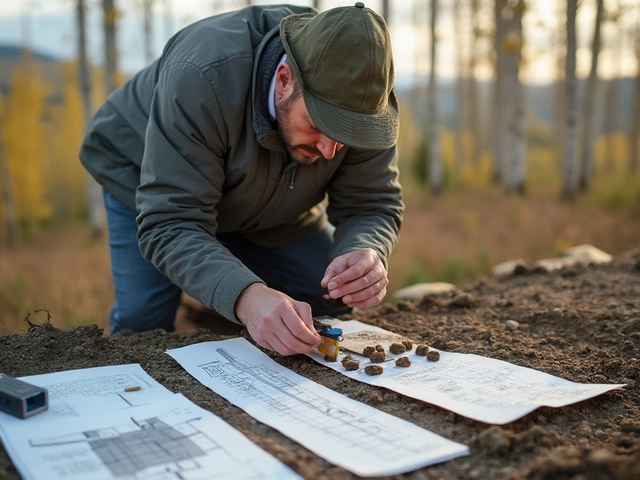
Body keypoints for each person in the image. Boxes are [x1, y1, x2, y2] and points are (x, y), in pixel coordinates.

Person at [80, 2, 404, 356]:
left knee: (329, 297)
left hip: (272, 204)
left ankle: (220, 311)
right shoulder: (201, 75)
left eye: (343, 136)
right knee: (144, 326)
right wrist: (247, 298)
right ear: (284, 81)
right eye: (318, 125)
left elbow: (371, 202)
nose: (329, 151)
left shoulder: (361, 106)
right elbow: (171, 221)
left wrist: (366, 249)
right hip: (147, 178)